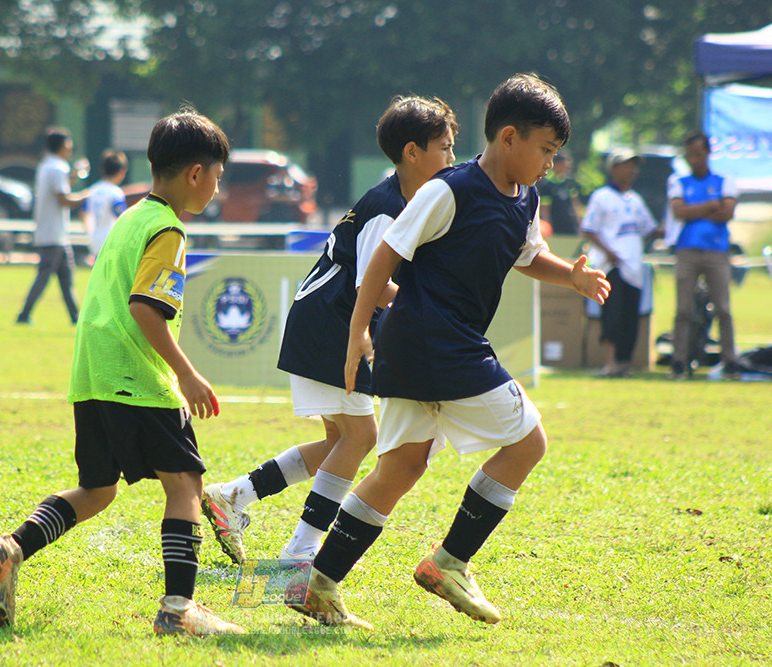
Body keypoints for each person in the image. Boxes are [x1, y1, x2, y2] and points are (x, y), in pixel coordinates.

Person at [287, 73, 610, 630]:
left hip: (421, 349)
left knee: (401, 467)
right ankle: (450, 561)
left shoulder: (524, 197)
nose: (549, 164)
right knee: (528, 442)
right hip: (440, 344)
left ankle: (319, 581)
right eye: (546, 150)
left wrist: (572, 279)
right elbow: (385, 254)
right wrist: (356, 334)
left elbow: (527, 256)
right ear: (509, 137)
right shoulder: (449, 189)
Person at [0, 109, 245, 637]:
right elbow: (146, 308)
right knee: (184, 482)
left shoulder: (131, 217)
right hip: (137, 375)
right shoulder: (168, 229)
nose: (216, 187)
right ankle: (179, 609)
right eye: (217, 176)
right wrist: (186, 374)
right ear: (194, 174)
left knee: (98, 489)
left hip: (93, 374)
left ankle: (9, 551)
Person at [200, 96, 459, 567]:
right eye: (444, 147)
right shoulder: (388, 205)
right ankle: (299, 553)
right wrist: (426, 311)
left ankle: (233, 496)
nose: (452, 158)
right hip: (333, 324)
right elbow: (371, 283)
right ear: (412, 152)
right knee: (359, 438)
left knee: (341, 442)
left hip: (325, 319)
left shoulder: (406, 200)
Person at [665, 131, 741, 380]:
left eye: (698, 154)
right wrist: (711, 205)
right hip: (687, 250)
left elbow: (726, 213)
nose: (694, 160)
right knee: (684, 309)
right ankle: (679, 360)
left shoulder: (725, 180)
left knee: (723, 308)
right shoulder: (678, 181)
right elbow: (679, 212)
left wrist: (693, 209)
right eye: (689, 156)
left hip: (717, 251)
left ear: (708, 153)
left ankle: (730, 360)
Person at [581, 149, 660, 378]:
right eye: (627, 165)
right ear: (614, 169)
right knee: (612, 315)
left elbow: (649, 229)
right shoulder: (602, 197)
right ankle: (610, 362)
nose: (632, 170)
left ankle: (624, 363)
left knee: (630, 316)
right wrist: (610, 252)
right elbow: (589, 229)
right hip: (611, 265)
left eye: (634, 166)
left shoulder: (635, 200)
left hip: (634, 267)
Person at [16, 127, 89, 325]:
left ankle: (76, 318)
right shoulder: (58, 167)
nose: (71, 148)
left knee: (66, 279)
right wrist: (88, 196)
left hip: (55, 233)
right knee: (44, 276)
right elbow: (64, 199)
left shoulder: (48, 165)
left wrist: (74, 175)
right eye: (69, 144)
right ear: (63, 146)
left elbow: (61, 187)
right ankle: (23, 315)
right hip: (53, 234)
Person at [84, 149, 129, 259]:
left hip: (95, 240)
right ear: (122, 172)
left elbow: (83, 213)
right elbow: (122, 217)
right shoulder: (115, 192)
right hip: (110, 241)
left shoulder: (93, 190)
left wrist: (89, 233)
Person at [537, 150, 581, 235]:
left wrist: (579, 224)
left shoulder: (569, 183)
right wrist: (548, 227)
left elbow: (575, 204)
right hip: (555, 225)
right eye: (563, 165)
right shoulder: (547, 184)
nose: (566, 167)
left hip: (569, 224)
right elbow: (545, 209)